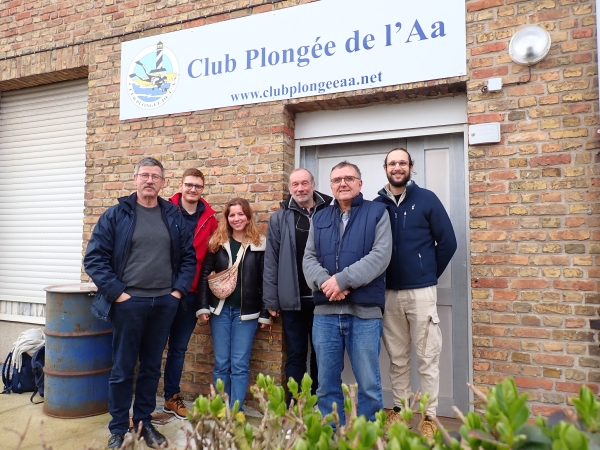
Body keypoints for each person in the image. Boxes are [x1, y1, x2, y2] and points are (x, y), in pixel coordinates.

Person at [84, 157, 196, 449]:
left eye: (155, 176)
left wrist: (177, 293)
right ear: (135, 179)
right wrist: (118, 294)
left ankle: (144, 425)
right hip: (128, 303)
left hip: (163, 303)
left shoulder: (173, 215)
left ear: (163, 182)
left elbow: (188, 258)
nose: (149, 181)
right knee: (122, 368)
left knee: (150, 367)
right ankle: (119, 428)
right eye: (144, 175)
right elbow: (94, 259)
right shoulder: (116, 215)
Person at [374, 148, 457, 437]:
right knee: (397, 357)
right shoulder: (377, 205)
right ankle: (400, 412)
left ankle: (429, 418)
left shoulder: (427, 199)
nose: (397, 167)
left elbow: (448, 242)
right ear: (385, 168)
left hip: (421, 292)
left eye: (402, 163)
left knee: (427, 357)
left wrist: (427, 273)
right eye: (392, 163)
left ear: (411, 167)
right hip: (388, 294)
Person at [303, 161, 392, 424]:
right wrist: (325, 283)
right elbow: (309, 258)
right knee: (326, 384)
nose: (343, 183)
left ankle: (368, 438)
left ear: (360, 183)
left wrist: (342, 280)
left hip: (364, 314)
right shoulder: (319, 217)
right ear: (330, 186)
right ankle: (329, 435)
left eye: (349, 178)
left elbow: (380, 256)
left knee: (369, 387)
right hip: (325, 314)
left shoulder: (378, 212)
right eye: (337, 180)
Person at [263, 168, 332, 403]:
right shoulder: (279, 218)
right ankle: (296, 405)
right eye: (295, 185)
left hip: (325, 297)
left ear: (313, 184)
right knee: (295, 355)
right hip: (293, 299)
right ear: (290, 188)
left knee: (323, 355)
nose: (300, 189)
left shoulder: (330, 210)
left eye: (304, 183)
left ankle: (320, 404)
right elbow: (270, 260)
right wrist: (271, 299)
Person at [196, 198, 270, 411]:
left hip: (246, 314)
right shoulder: (217, 243)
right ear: (226, 218)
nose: (236, 219)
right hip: (219, 312)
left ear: (248, 217)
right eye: (232, 215)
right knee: (221, 364)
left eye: (241, 214)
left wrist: (264, 313)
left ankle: (235, 411)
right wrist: (202, 307)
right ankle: (220, 408)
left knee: (239, 365)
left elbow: (266, 280)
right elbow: (204, 276)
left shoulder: (260, 244)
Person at [163, 168, 217, 419]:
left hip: (192, 292)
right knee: (151, 348)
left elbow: (215, 253)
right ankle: (140, 402)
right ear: (181, 185)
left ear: (203, 189)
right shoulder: (165, 210)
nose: (193, 189)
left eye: (198, 186)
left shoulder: (210, 218)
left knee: (178, 348)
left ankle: (171, 397)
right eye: (189, 185)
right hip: (163, 290)